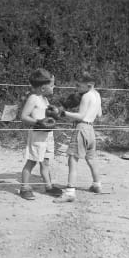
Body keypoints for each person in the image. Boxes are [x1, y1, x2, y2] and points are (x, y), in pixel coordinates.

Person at [52, 70, 102, 202]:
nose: (77, 89)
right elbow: (99, 114)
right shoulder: (97, 94)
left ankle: (70, 192)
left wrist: (64, 113)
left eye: (79, 86)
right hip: (91, 129)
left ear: (89, 85)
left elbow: (80, 116)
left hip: (82, 128)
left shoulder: (86, 97)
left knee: (72, 159)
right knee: (91, 158)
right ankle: (97, 184)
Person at [19, 69, 63, 200]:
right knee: (31, 162)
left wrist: (53, 115)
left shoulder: (44, 99)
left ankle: (48, 186)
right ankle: (24, 188)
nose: (54, 87)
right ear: (43, 88)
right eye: (52, 85)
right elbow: (24, 116)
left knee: (45, 163)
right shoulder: (33, 98)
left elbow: (46, 115)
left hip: (47, 135)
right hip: (37, 136)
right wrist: (38, 122)